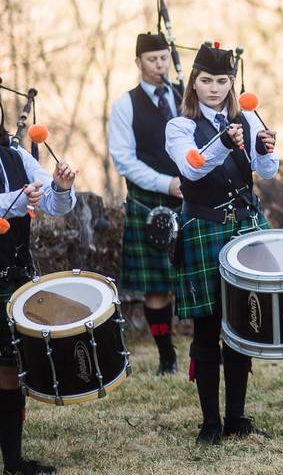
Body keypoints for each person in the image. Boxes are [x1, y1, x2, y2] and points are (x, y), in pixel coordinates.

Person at [164, 43, 278, 444]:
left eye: (222, 81)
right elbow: (191, 169)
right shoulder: (179, 126)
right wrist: (224, 144)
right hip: (204, 229)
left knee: (243, 323)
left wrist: (265, 150)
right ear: (194, 83)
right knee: (208, 327)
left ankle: (237, 418)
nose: (214, 88)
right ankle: (210, 422)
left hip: (245, 227)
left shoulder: (245, 117)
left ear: (232, 84)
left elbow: (264, 172)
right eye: (206, 80)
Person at [0, 123, 77, 475]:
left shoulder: (16, 156)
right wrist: (17, 199)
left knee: (8, 370)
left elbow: (54, 203)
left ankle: (14, 463)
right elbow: (17, 202)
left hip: (12, 275)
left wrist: (61, 187)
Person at [108, 33, 182, 375]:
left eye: (164, 58)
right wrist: (167, 183)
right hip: (149, 203)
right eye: (152, 59)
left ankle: (208, 347)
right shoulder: (125, 105)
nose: (160, 65)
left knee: (207, 278)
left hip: (192, 198)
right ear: (138, 62)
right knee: (157, 288)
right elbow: (124, 161)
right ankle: (166, 355)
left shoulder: (185, 96)